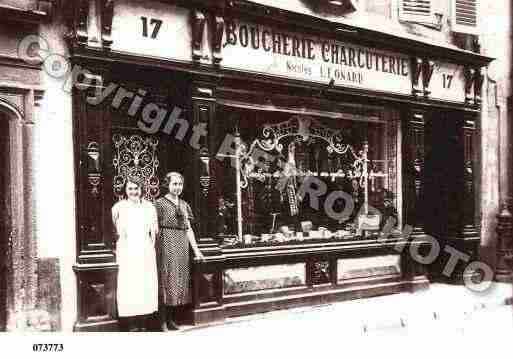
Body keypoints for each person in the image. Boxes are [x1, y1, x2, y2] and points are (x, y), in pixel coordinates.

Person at [155, 172, 205, 331]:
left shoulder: (184, 205)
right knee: (166, 278)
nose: (177, 187)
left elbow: (189, 229)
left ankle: (172, 318)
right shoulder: (159, 203)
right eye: (174, 184)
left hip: (182, 245)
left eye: (180, 184)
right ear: (167, 184)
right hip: (166, 243)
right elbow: (154, 228)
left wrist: (196, 250)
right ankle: (162, 320)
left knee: (178, 280)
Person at [112, 177, 159, 331]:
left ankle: (143, 322)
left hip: (145, 250)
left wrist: (149, 247)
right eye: (131, 188)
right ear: (126, 190)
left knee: (145, 284)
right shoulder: (119, 208)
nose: (134, 192)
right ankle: (131, 323)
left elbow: (154, 231)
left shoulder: (149, 207)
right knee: (129, 285)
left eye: (136, 188)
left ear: (141, 190)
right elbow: (114, 229)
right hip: (127, 251)